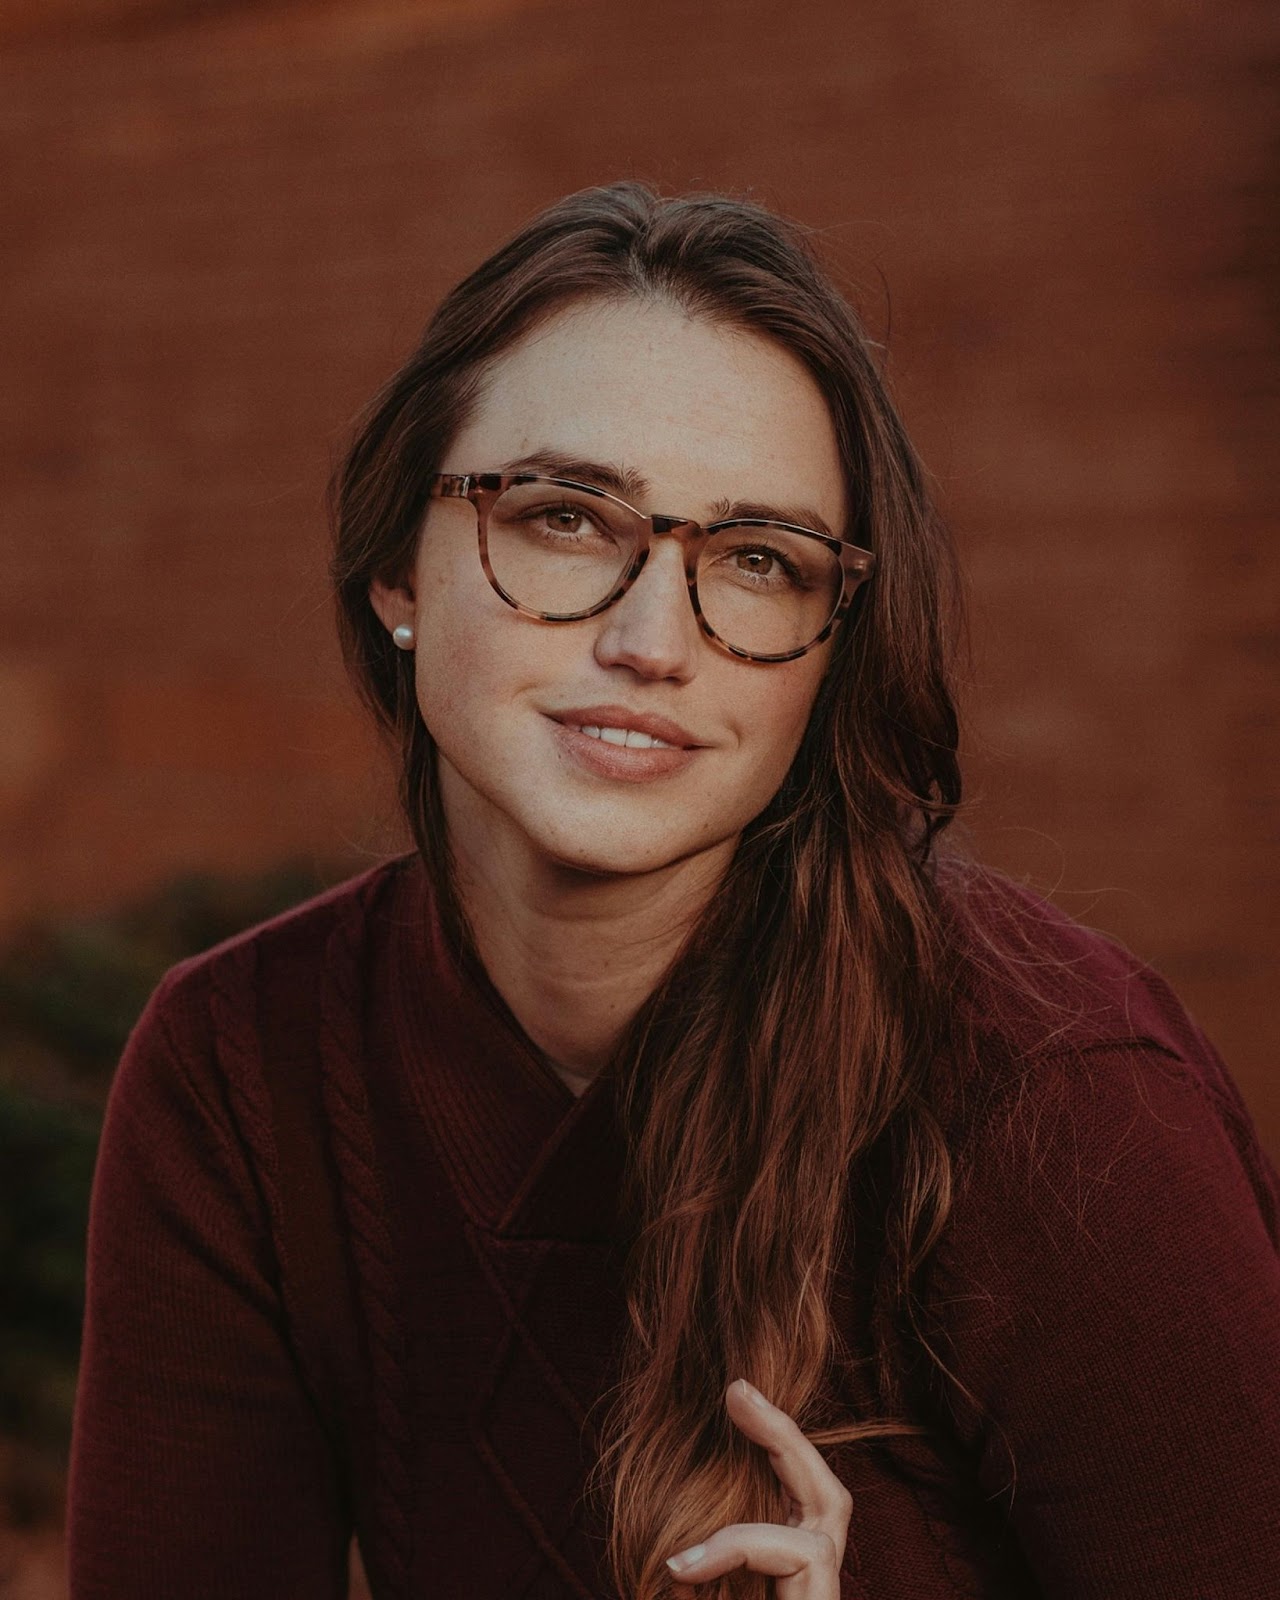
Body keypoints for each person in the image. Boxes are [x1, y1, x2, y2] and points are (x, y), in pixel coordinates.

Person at [66, 182, 1280, 1600]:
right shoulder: (244, 1072)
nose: (654, 639)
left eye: (758, 561)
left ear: (831, 650)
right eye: (568, 518)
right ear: (398, 561)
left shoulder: (1053, 1092)